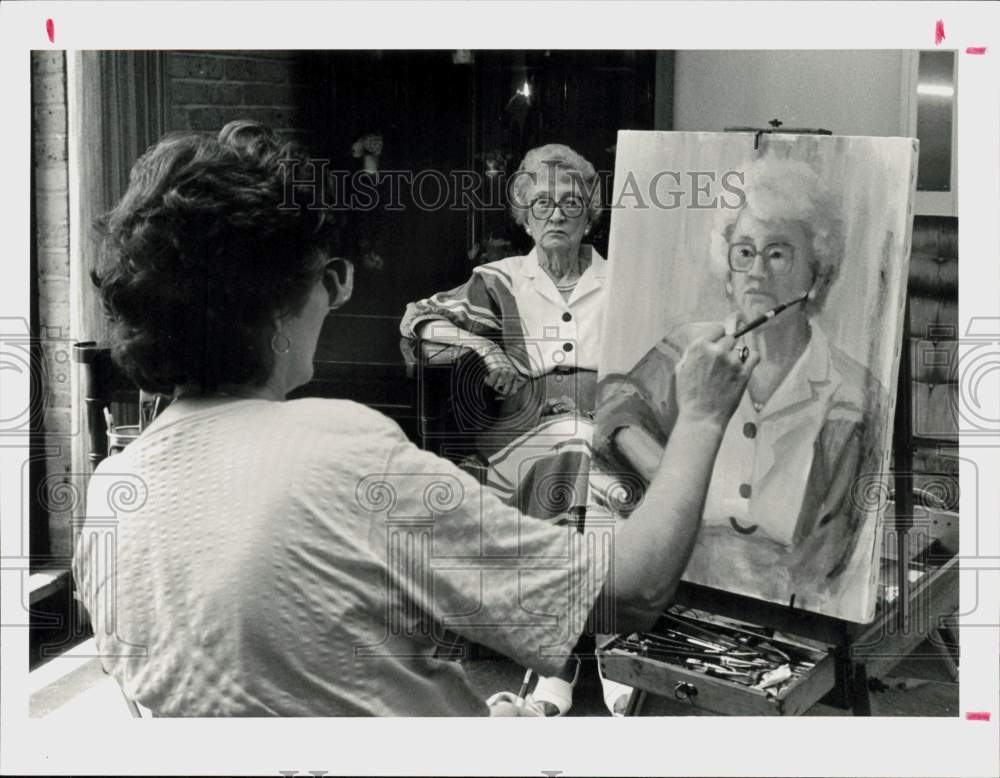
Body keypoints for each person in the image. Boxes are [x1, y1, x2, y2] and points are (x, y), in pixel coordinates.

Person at [72, 121, 757, 716]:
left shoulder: (111, 497)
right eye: (330, 275)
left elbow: (304, 684)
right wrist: (700, 417)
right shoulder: (344, 453)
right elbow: (632, 590)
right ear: (281, 299)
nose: (336, 294)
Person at [593, 155, 885, 713]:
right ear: (725, 265)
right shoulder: (691, 349)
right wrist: (663, 470)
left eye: (778, 253)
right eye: (744, 252)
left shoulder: (853, 394)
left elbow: (830, 556)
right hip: (675, 591)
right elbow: (614, 405)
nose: (756, 271)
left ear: (817, 271)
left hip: (794, 626)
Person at [400, 143, 606, 522]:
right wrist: (483, 347)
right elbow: (419, 317)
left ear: (589, 218)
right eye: (542, 204)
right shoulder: (502, 279)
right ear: (526, 220)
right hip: (528, 426)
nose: (556, 216)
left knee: (586, 442)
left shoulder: (619, 279)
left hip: (605, 424)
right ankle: (555, 564)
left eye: (571, 203)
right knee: (575, 439)